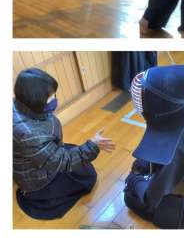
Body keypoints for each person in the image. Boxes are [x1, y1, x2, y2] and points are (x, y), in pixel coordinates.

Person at [13, 68, 115, 220]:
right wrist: (93, 145)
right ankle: (35, 194)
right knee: (88, 177)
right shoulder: (30, 135)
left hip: (32, 158)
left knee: (76, 156)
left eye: (53, 94)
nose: (55, 99)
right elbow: (63, 161)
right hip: (37, 180)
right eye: (50, 97)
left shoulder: (19, 106)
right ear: (35, 99)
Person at [124, 65, 184, 229]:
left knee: (129, 196)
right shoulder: (181, 121)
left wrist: (133, 180)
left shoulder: (173, 150)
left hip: (177, 211)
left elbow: (151, 197)